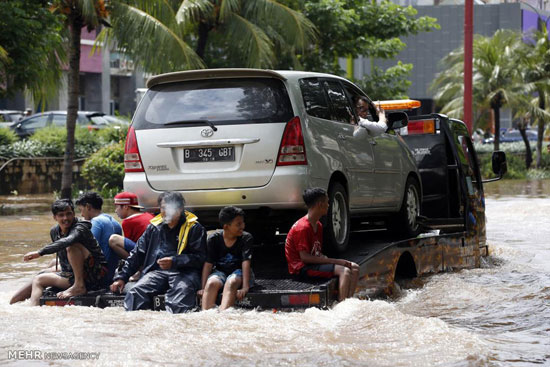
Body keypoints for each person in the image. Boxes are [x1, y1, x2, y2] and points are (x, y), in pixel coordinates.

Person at [110, 192, 206, 313]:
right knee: (136, 292)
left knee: (180, 299)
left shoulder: (194, 228)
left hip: (185, 274)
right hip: (157, 273)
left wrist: (175, 261)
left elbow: (201, 258)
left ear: (180, 208)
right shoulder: (154, 227)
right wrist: (121, 277)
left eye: (169, 208)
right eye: (162, 208)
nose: (165, 212)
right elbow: (137, 254)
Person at [20, 199, 108, 306]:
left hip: (95, 274)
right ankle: (22, 307)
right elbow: (64, 260)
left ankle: (79, 286)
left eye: (68, 214)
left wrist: (40, 252)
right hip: (71, 273)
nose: (65, 218)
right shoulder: (54, 231)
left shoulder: (80, 227)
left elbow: (67, 241)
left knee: (71, 247)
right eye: (61, 215)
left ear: (74, 214)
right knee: (40, 275)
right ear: (55, 217)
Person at [285, 188, 360, 301]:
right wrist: (335, 261)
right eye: (327, 202)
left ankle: (349, 301)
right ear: (320, 204)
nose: (329, 205)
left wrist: (327, 259)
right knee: (344, 271)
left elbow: (316, 252)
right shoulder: (303, 227)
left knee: (354, 267)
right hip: (301, 269)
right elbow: (304, 258)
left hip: (311, 264)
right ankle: (342, 304)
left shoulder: (318, 225)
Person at [198, 206, 254, 311]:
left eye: (243, 222)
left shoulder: (246, 238)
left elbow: (246, 262)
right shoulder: (213, 239)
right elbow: (208, 264)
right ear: (226, 227)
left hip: (239, 272)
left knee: (231, 282)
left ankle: (224, 314)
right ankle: (207, 316)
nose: (243, 226)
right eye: (238, 224)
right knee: (211, 284)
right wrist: (203, 287)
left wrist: (245, 287)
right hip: (220, 272)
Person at [75, 192, 122, 284]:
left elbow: (86, 250)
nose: (82, 215)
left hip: (101, 275)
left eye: (81, 210)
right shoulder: (114, 221)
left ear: (88, 207)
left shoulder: (96, 222)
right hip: (112, 272)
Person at [109, 192, 154, 260]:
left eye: (116, 207)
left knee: (113, 240)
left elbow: (128, 249)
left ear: (125, 207)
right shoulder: (149, 215)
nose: (115, 211)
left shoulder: (128, 221)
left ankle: (134, 266)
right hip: (154, 252)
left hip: (146, 254)